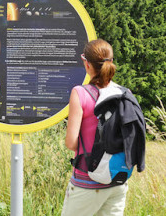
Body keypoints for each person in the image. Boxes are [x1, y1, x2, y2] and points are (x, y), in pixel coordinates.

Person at [62, 39, 143, 216]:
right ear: (111, 63)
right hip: (117, 181)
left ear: (88, 64)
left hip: (87, 180)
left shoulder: (80, 93)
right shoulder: (125, 93)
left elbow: (71, 143)